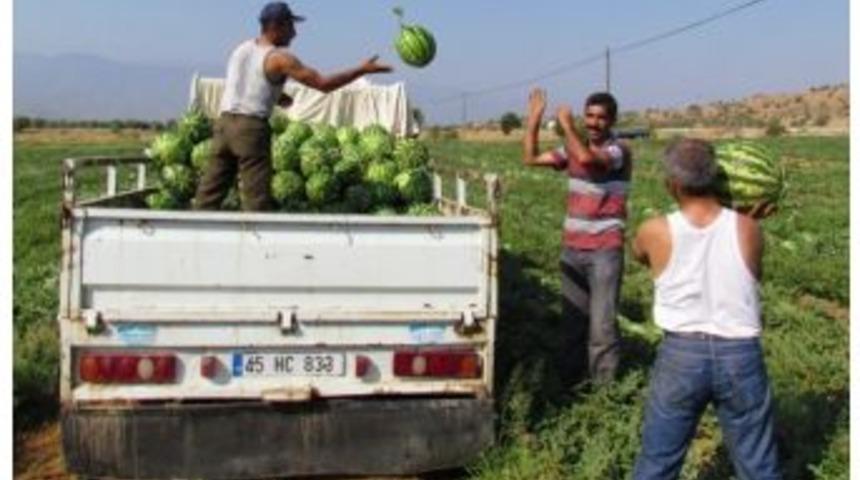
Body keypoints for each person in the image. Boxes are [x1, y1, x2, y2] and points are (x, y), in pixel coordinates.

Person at [631, 138, 781, 479]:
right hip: (740, 356)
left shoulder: (653, 230)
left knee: (658, 462)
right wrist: (750, 219)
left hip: (681, 356)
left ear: (673, 184)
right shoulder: (749, 229)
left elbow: (639, 255)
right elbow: (753, 274)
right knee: (758, 465)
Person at [195, 1, 392, 211]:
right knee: (257, 201)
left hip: (223, 125)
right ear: (277, 26)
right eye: (291, 27)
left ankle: (192, 236)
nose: (295, 34)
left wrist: (278, 96)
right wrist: (361, 70)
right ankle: (258, 241)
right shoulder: (279, 59)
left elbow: (246, 85)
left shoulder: (241, 49)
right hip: (250, 130)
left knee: (208, 195)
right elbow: (323, 84)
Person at [522, 88, 632, 383]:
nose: (594, 123)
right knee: (572, 323)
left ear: (612, 121)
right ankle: (569, 384)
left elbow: (586, 159)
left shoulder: (619, 150)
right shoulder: (572, 146)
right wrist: (533, 119)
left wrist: (567, 126)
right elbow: (530, 158)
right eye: (589, 116)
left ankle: (603, 392)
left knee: (602, 326)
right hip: (573, 248)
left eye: (601, 118)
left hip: (605, 250)